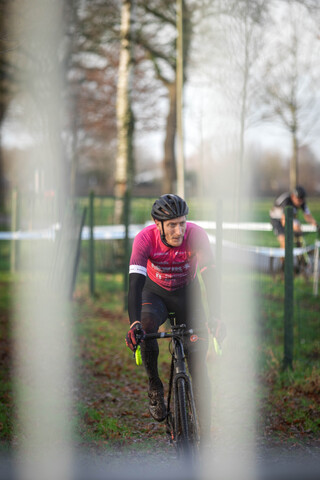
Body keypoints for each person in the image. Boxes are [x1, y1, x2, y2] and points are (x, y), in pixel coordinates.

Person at [125, 194, 224, 443]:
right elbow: (135, 285)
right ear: (157, 224)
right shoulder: (144, 239)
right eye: (172, 225)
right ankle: (155, 385)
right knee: (147, 329)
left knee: (198, 369)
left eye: (182, 223)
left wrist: (216, 316)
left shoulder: (196, 236)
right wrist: (134, 323)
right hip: (154, 294)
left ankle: (206, 435)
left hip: (186, 296)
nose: (178, 230)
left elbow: (211, 278)